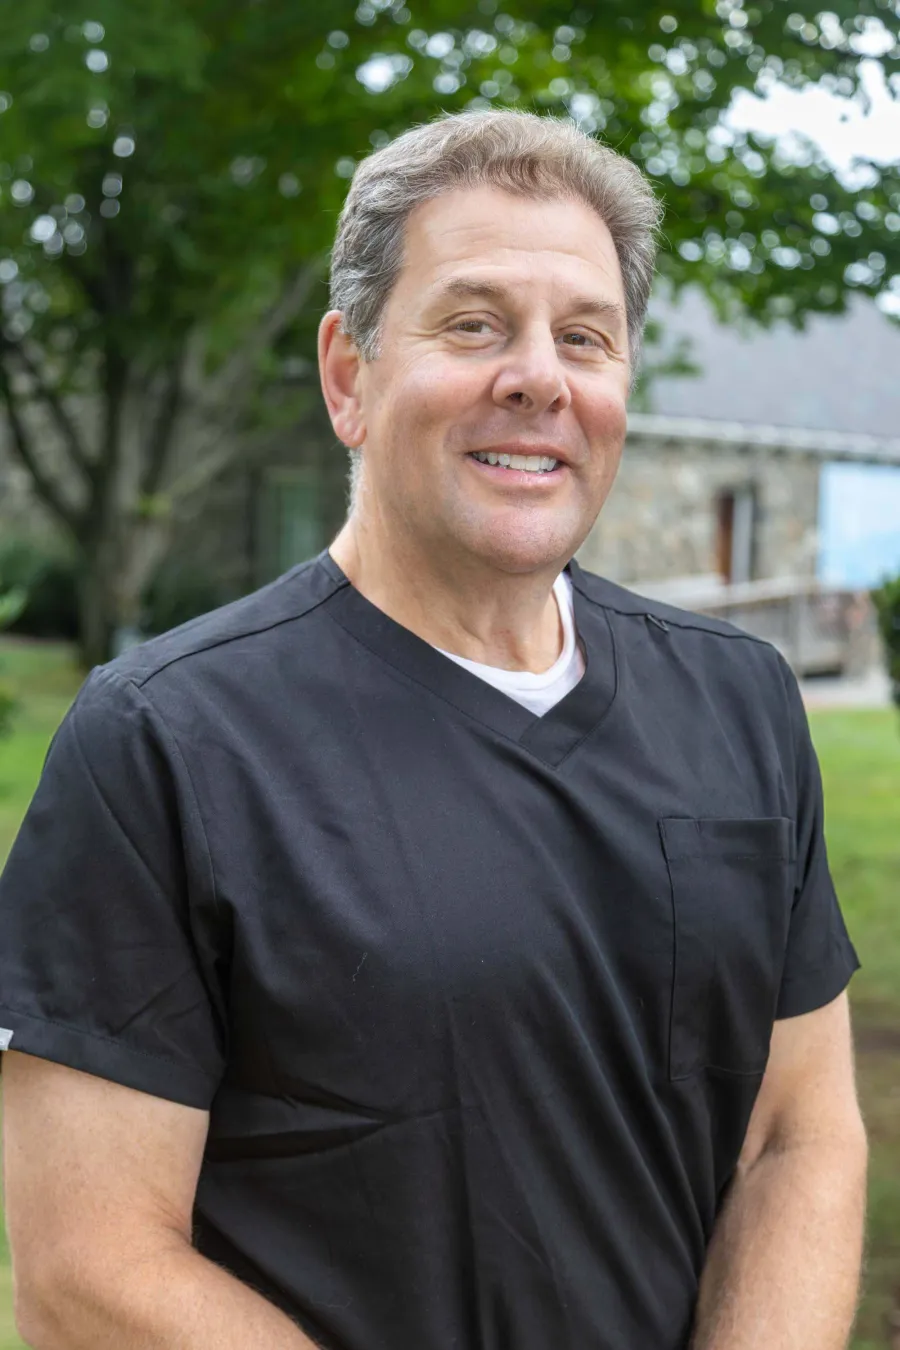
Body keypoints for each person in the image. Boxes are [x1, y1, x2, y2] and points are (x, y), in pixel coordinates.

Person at [0, 110, 866, 1350]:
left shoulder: (741, 703)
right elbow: (88, 1273)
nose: (538, 377)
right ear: (349, 375)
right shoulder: (165, 744)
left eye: (585, 337)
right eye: (473, 325)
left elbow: (799, 1135)